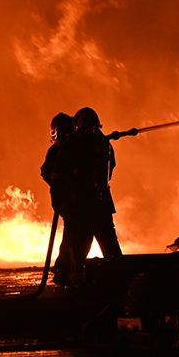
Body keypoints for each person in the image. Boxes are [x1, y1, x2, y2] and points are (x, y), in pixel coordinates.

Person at [57, 107, 122, 285]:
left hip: (81, 204)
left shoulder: (74, 144)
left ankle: (75, 280)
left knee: (79, 244)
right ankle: (118, 279)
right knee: (108, 245)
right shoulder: (103, 143)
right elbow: (109, 171)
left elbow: (61, 171)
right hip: (100, 203)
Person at [40, 112, 76, 287]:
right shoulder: (56, 151)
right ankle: (64, 269)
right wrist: (62, 188)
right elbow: (46, 173)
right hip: (66, 199)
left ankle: (65, 269)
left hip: (75, 198)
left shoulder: (76, 148)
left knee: (74, 235)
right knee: (72, 234)